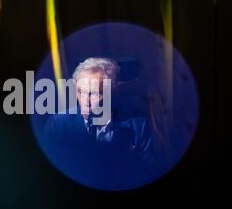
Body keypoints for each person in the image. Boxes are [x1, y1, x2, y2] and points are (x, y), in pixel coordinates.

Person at [44, 57, 156, 189]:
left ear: (112, 93)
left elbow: (150, 171)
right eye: (80, 92)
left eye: (94, 94)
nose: (85, 101)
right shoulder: (58, 124)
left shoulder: (138, 126)